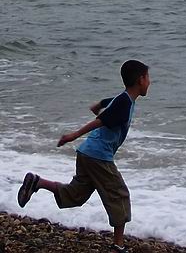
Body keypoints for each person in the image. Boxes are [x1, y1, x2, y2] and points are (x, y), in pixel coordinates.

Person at [17, 59, 150, 253]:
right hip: (98, 156)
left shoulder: (124, 99)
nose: (149, 82)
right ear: (141, 79)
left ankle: (37, 182)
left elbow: (109, 103)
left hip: (87, 153)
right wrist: (74, 135)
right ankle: (118, 245)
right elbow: (101, 120)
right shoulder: (124, 103)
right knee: (119, 195)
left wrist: (99, 104)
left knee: (76, 194)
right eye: (148, 78)